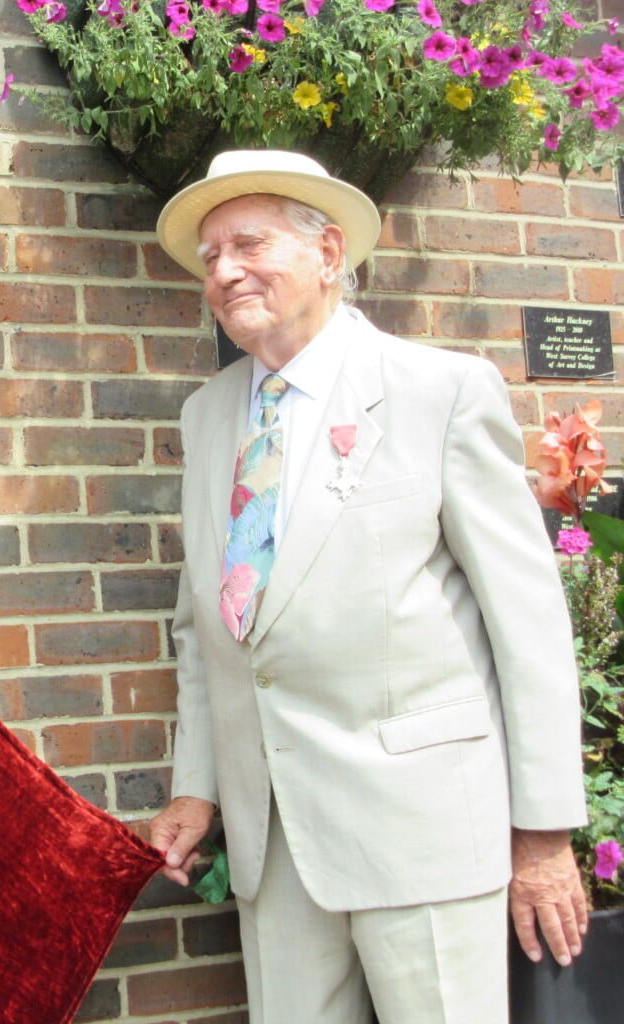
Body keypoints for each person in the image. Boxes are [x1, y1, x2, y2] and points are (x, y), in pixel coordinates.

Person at [147, 149, 588, 1023]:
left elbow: (526, 623)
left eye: (247, 244)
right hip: (274, 849)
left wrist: (542, 837)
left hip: (420, 834)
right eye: (209, 258)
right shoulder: (207, 416)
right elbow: (207, 623)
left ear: (327, 251)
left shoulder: (438, 391)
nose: (224, 271)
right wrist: (197, 785)